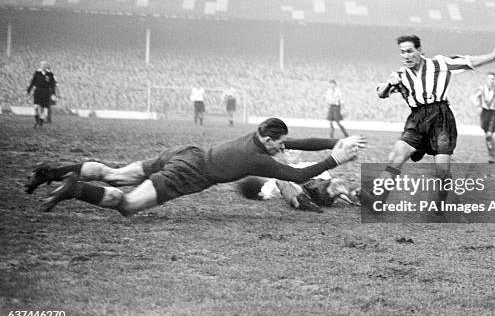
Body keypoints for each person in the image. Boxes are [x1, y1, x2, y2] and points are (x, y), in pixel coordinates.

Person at [25, 118, 367, 216]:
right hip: (187, 173)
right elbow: (298, 175)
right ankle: (74, 188)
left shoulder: (259, 138)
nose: (282, 147)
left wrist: (332, 142)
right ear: (266, 139)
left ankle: (51, 171)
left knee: (116, 173)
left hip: (185, 152)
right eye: (278, 143)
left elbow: (299, 143)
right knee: (127, 204)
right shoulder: (256, 158)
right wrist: (336, 158)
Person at [361, 34, 495, 211]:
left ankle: (441, 203)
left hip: (441, 119)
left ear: (420, 50)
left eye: (409, 51)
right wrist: (388, 84)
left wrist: (492, 56)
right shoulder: (400, 75)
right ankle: (378, 201)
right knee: (396, 157)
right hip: (417, 119)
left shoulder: (440, 64)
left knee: (442, 171)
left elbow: (469, 62)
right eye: (402, 52)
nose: (406, 56)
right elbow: (381, 94)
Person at [471, 72, 495, 163]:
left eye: (492, 79)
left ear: (494, 80)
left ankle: (492, 156)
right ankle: (491, 153)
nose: (491, 80)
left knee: (489, 135)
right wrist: (478, 105)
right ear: (486, 79)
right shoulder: (481, 88)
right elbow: (473, 97)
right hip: (484, 113)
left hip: (493, 113)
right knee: (487, 136)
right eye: (489, 78)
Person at [26, 61, 57, 128]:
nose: (44, 66)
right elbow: (33, 82)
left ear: (47, 66)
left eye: (45, 65)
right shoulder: (37, 73)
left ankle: (41, 122)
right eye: (42, 65)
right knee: (36, 107)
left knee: (45, 108)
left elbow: (52, 84)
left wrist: (53, 94)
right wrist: (28, 90)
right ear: (40, 66)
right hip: (38, 91)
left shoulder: (50, 74)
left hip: (46, 92)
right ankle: (37, 121)